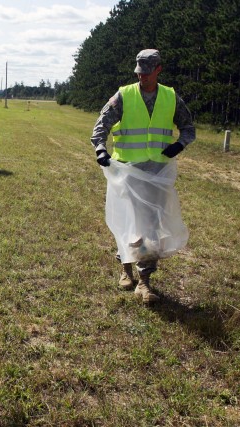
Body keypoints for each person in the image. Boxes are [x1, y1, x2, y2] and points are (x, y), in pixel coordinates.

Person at [90, 49, 196, 304]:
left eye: (147, 73)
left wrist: (179, 145)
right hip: (127, 172)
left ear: (158, 69)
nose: (142, 78)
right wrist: (101, 149)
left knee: (150, 227)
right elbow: (100, 127)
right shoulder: (124, 96)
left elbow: (188, 128)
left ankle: (144, 282)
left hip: (157, 173)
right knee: (130, 224)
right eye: (139, 73)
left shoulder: (171, 97)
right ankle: (127, 270)